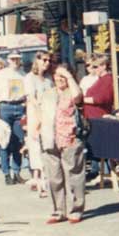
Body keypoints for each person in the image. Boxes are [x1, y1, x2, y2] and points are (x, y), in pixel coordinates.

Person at [39, 64, 86, 224]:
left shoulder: (73, 92)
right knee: (54, 177)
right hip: (49, 139)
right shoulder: (47, 94)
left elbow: (78, 96)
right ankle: (58, 211)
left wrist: (70, 77)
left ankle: (76, 210)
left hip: (70, 138)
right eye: (56, 75)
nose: (59, 79)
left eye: (63, 76)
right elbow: (40, 114)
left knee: (74, 175)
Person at [0, 51, 28, 184]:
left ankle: (17, 171)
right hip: (5, 107)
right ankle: (6, 173)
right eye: (13, 59)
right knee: (4, 142)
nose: (15, 61)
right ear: (8, 60)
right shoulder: (2, 74)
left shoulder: (23, 74)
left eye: (17, 59)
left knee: (18, 141)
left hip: (19, 107)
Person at [24, 51, 53, 195]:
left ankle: (47, 180)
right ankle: (40, 182)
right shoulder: (30, 78)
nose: (47, 63)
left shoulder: (48, 78)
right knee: (36, 147)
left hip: (48, 113)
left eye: (49, 60)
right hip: (36, 114)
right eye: (44, 60)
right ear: (37, 61)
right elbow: (31, 98)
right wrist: (39, 116)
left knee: (47, 146)